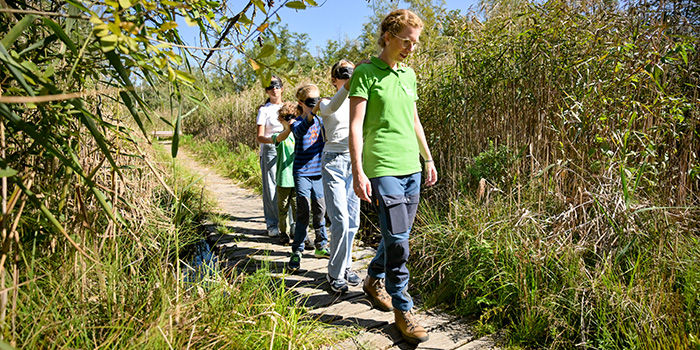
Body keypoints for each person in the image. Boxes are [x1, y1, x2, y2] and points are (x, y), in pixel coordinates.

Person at [348, 9, 437, 345]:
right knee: (400, 242)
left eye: (415, 43)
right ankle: (404, 308)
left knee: (396, 236)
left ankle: (372, 278)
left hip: (410, 165)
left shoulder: (409, 75)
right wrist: (358, 169)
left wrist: (427, 158)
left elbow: (414, 122)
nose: (410, 48)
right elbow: (355, 126)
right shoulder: (366, 73)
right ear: (388, 36)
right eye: (405, 41)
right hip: (382, 165)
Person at [314, 60, 362, 293]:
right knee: (340, 220)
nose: (347, 76)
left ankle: (346, 267)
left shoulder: (359, 101)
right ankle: (334, 273)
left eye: (351, 72)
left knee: (353, 221)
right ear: (333, 79)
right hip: (333, 161)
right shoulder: (325, 102)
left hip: (355, 161)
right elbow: (332, 108)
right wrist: (351, 82)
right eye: (343, 73)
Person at [283, 84, 330, 271]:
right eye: (312, 101)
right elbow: (300, 130)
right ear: (301, 103)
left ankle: (321, 245)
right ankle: (297, 250)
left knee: (320, 209)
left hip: (318, 172)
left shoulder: (320, 120)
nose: (316, 104)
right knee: (303, 210)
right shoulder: (295, 122)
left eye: (318, 99)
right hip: (302, 172)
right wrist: (311, 114)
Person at [256, 76, 286, 237]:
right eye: (270, 86)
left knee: (289, 186)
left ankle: (288, 224)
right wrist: (275, 139)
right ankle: (272, 224)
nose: (274, 88)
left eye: (277, 85)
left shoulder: (289, 107)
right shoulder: (264, 110)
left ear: (282, 88)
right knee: (271, 187)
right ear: (267, 90)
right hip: (270, 148)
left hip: (288, 149)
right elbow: (259, 136)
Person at [272, 102, 300, 244]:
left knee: (297, 208)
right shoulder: (279, 135)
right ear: (280, 119)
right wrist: (290, 128)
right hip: (283, 178)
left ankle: (297, 232)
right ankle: (283, 232)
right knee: (283, 208)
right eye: (285, 117)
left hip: (297, 178)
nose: (289, 120)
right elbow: (280, 139)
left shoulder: (299, 136)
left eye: (291, 117)